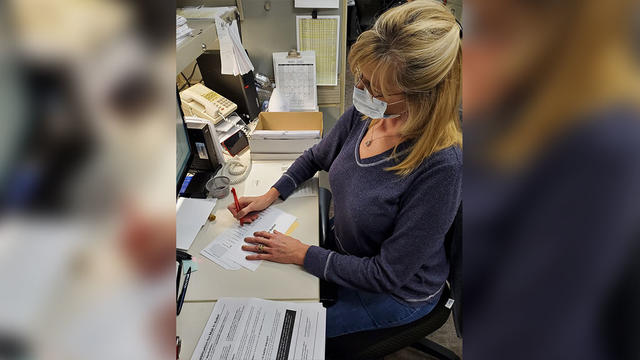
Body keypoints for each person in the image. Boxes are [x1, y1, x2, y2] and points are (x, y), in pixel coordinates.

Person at [228, 0, 462, 337]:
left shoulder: (441, 167)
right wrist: (272, 194)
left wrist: (303, 253)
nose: (362, 91)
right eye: (362, 79)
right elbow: (317, 156)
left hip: (394, 291)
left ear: (423, 95)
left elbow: (387, 274)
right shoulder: (370, 113)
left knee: (287, 335)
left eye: (375, 88)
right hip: (347, 251)